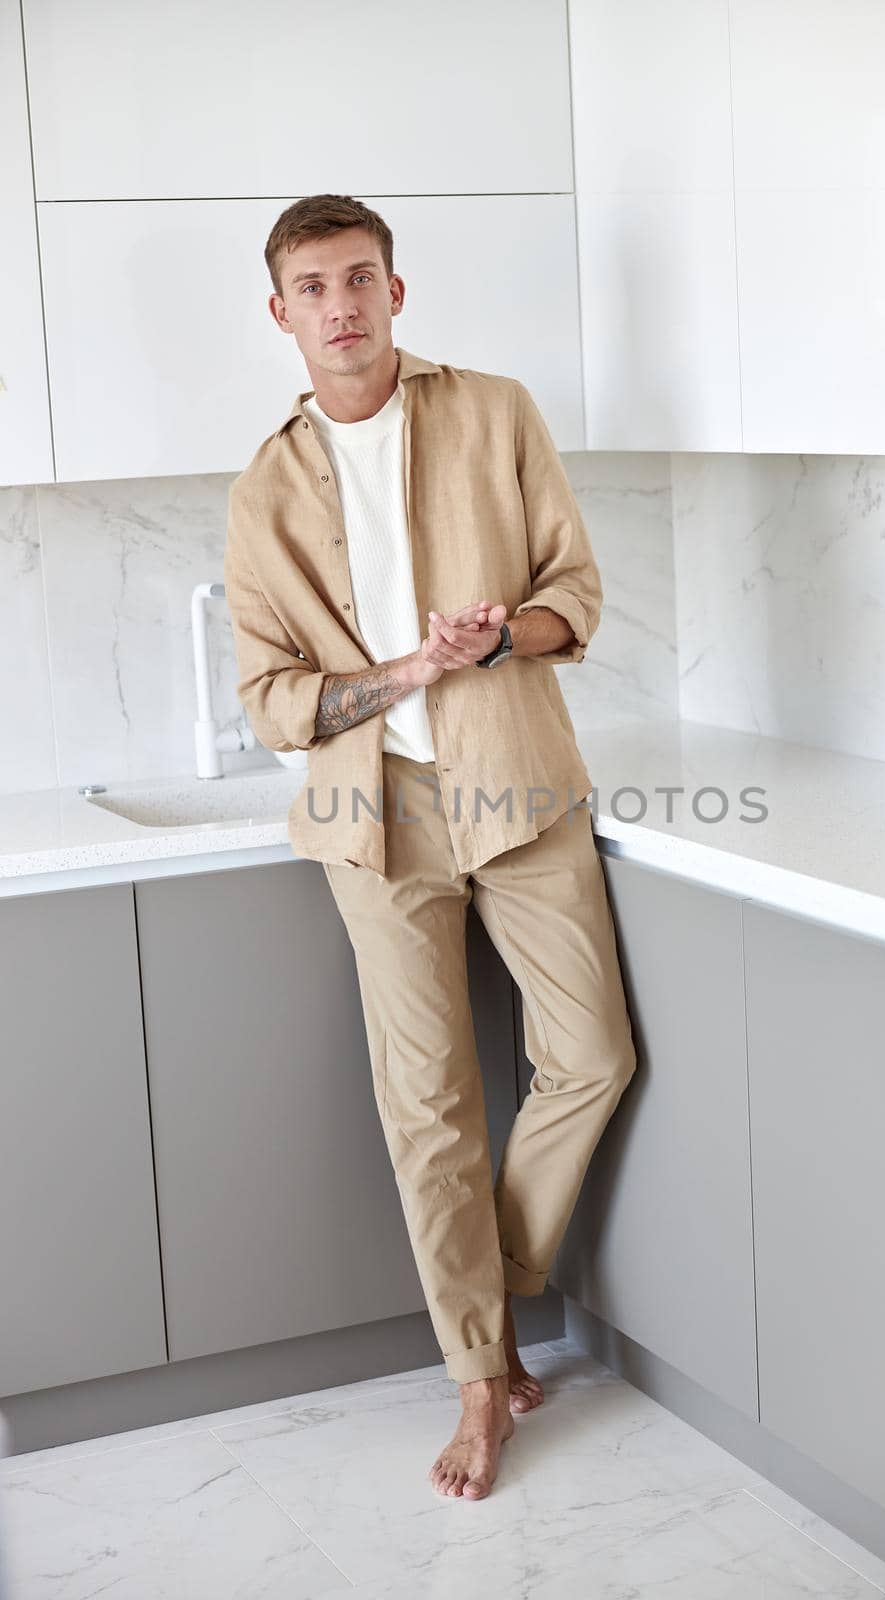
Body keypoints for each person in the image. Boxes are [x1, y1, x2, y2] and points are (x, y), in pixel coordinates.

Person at [224, 194, 637, 1502]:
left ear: (397, 293)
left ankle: (496, 1293)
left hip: (520, 789)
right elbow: (277, 701)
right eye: (312, 286)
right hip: (373, 821)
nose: (339, 304)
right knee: (433, 1113)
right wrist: (408, 667)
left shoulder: (496, 411)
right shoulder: (265, 489)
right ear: (280, 312)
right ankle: (479, 1383)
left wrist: (498, 636)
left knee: (592, 1056)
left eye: (361, 278)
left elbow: (576, 590)